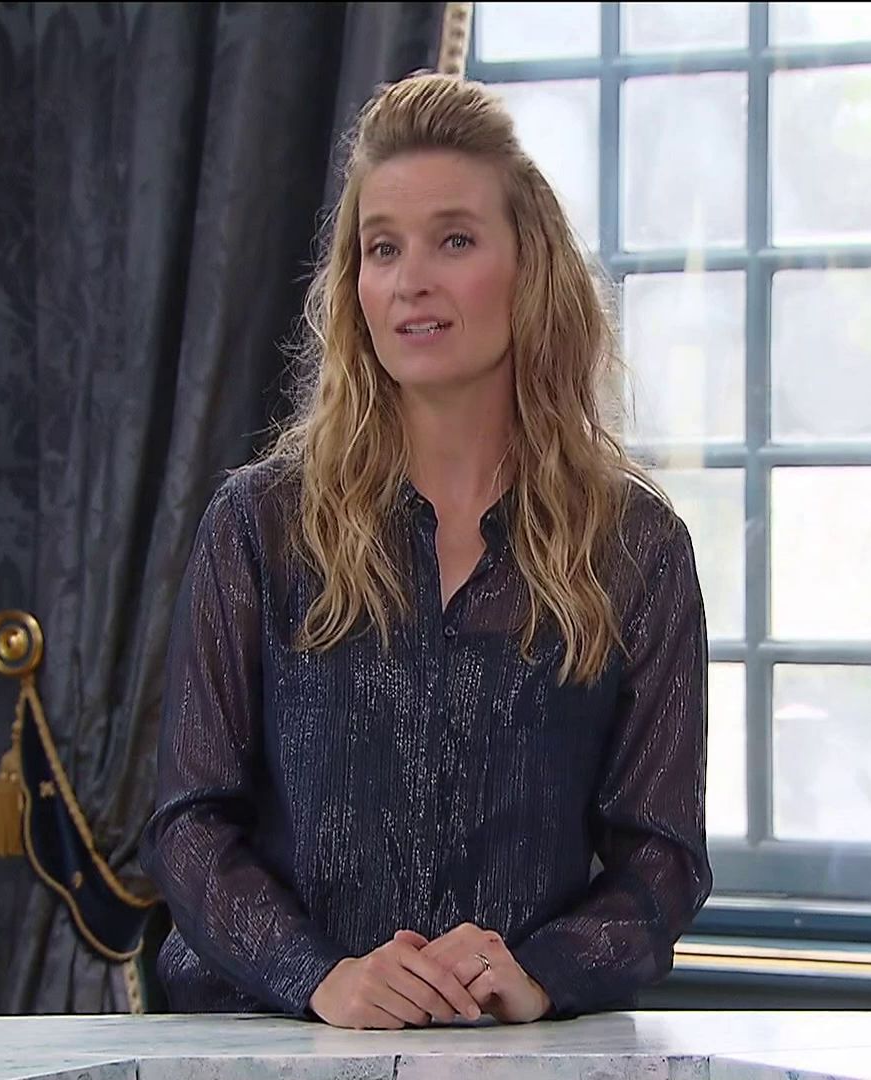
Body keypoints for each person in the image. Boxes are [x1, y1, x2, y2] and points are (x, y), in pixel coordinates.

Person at [138, 71, 710, 1031]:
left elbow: (661, 859)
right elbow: (187, 825)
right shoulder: (259, 526)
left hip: (516, 1055)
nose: (411, 281)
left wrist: (539, 973)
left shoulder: (636, 548)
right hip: (274, 1045)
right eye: (383, 248)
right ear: (355, 286)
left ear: (528, 267)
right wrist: (321, 976)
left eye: (454, 240)